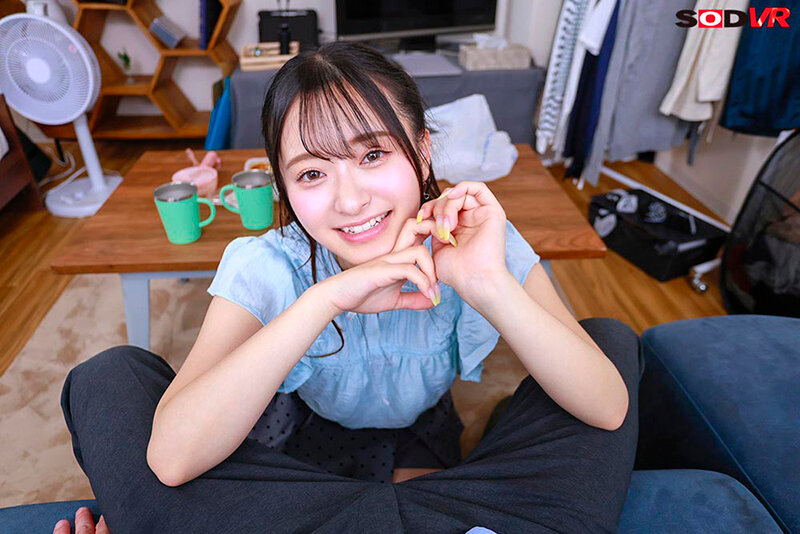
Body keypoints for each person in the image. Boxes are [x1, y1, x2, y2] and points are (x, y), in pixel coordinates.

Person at [56, 41, 640, 534]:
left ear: (423, 151)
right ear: (284, 187)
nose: (351, 199)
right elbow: (173, 456)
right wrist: (325, 299)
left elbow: (607, 408)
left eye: (373, 154)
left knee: (609, 341)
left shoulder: (478, 239)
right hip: (305, 440)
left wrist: (486, 282)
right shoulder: (268, 264)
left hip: (417, 431)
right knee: (108, 376)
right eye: (312, 172)